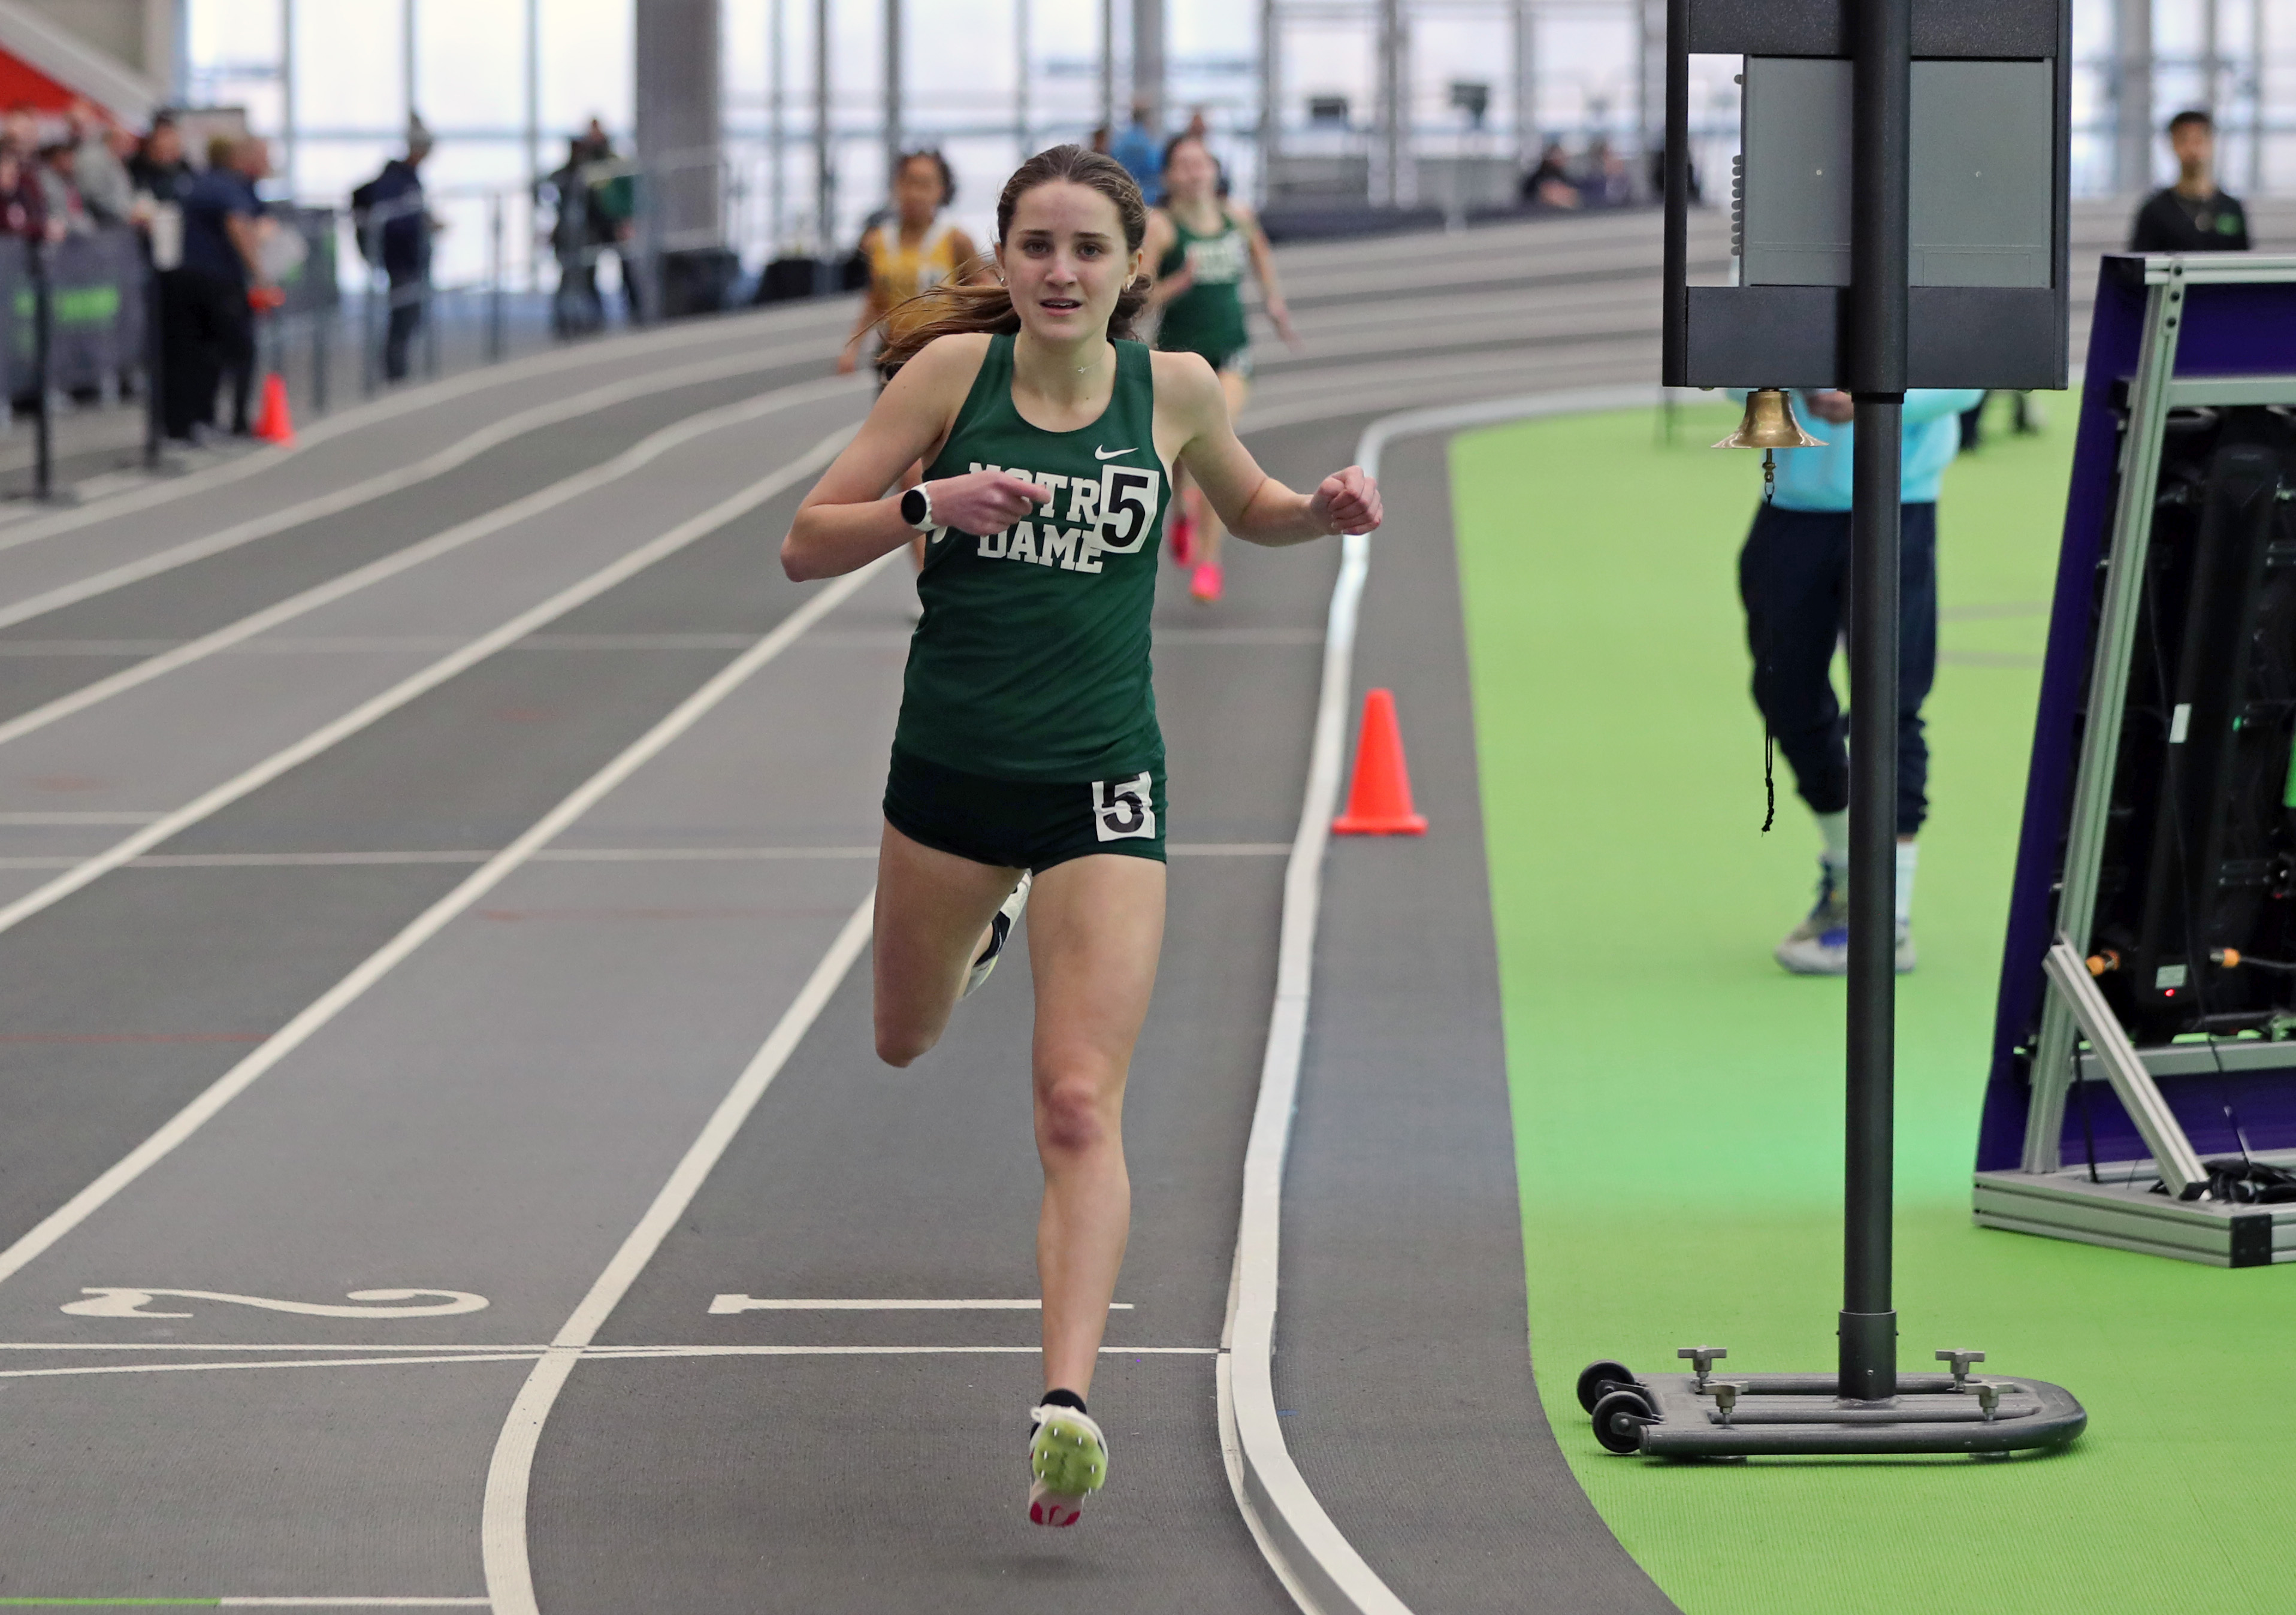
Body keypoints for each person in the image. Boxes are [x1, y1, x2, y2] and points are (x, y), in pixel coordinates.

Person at [778, 143, 1380, 1528]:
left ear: (1134, 270)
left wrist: (1323, 513)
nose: (1059, 272)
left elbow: (1253, 510)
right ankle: (977, 930)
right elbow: (805, 540)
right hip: (951, 777)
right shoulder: (946, 381)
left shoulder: (1173, 390)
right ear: (1003, 262)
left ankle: (1066, 1402)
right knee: (900, 1036)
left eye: (1087, 250)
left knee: (1073, 1102)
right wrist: (935, 503)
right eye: (1036, 247)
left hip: (1104, 781)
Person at [1738, 386, 1983, 975]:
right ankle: (1850, 867)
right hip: (1792, 507)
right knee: (1782, 694)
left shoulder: (1936, 287)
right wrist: (1797, 383)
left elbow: (1968, 373)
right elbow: (1729, 361)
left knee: (1890, 703)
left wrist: (1879, 397)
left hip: (1899, 503)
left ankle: (1886, 915)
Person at [1143, 130, 1298, 604]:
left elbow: (1261, 252)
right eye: (1184, 165)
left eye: (1201, 163)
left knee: (1215, 444)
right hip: (1177, 359)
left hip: (1231, 353)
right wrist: (1178, 283)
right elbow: (1138, 297)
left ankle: (1209, 563)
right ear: (1169, 176)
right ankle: (1183, 508)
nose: (1194, 172)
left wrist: (1273, 300)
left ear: (1215, 170)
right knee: (1182, 453)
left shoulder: (1238, 217)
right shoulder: (1161, 227)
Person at [166, 135, 272, 440]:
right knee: (230, 351)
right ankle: (227, 420)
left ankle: (197, 421)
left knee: (201, 353)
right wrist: (260, 274)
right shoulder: (226, 187)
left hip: (192, 279)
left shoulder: (203, 183)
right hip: (216, 281)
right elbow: (238, 226)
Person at [352, 119, 439, 382]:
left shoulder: (410, 178)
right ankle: (394, 368)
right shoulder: (394, 180)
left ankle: (398, 366)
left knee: (411, 310)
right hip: (402, 256)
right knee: (403, 311)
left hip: (412, 254)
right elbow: (392, 219)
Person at [2130, 108, 2249, 253]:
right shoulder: (2155, 211)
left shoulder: (2231, 208)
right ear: (2173, 144)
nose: (2192, 149)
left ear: (2211, 143)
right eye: (2184, 140)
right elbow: (2139, 266)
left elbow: (2243, 263)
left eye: (2199, 140)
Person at [1110, 99, 1163, 204]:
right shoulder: (1150, 144)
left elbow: (1113, 163)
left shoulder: (1121, 142)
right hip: (1151, 196)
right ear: (1147, 119)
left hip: (1124, 193)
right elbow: (1157, 166)